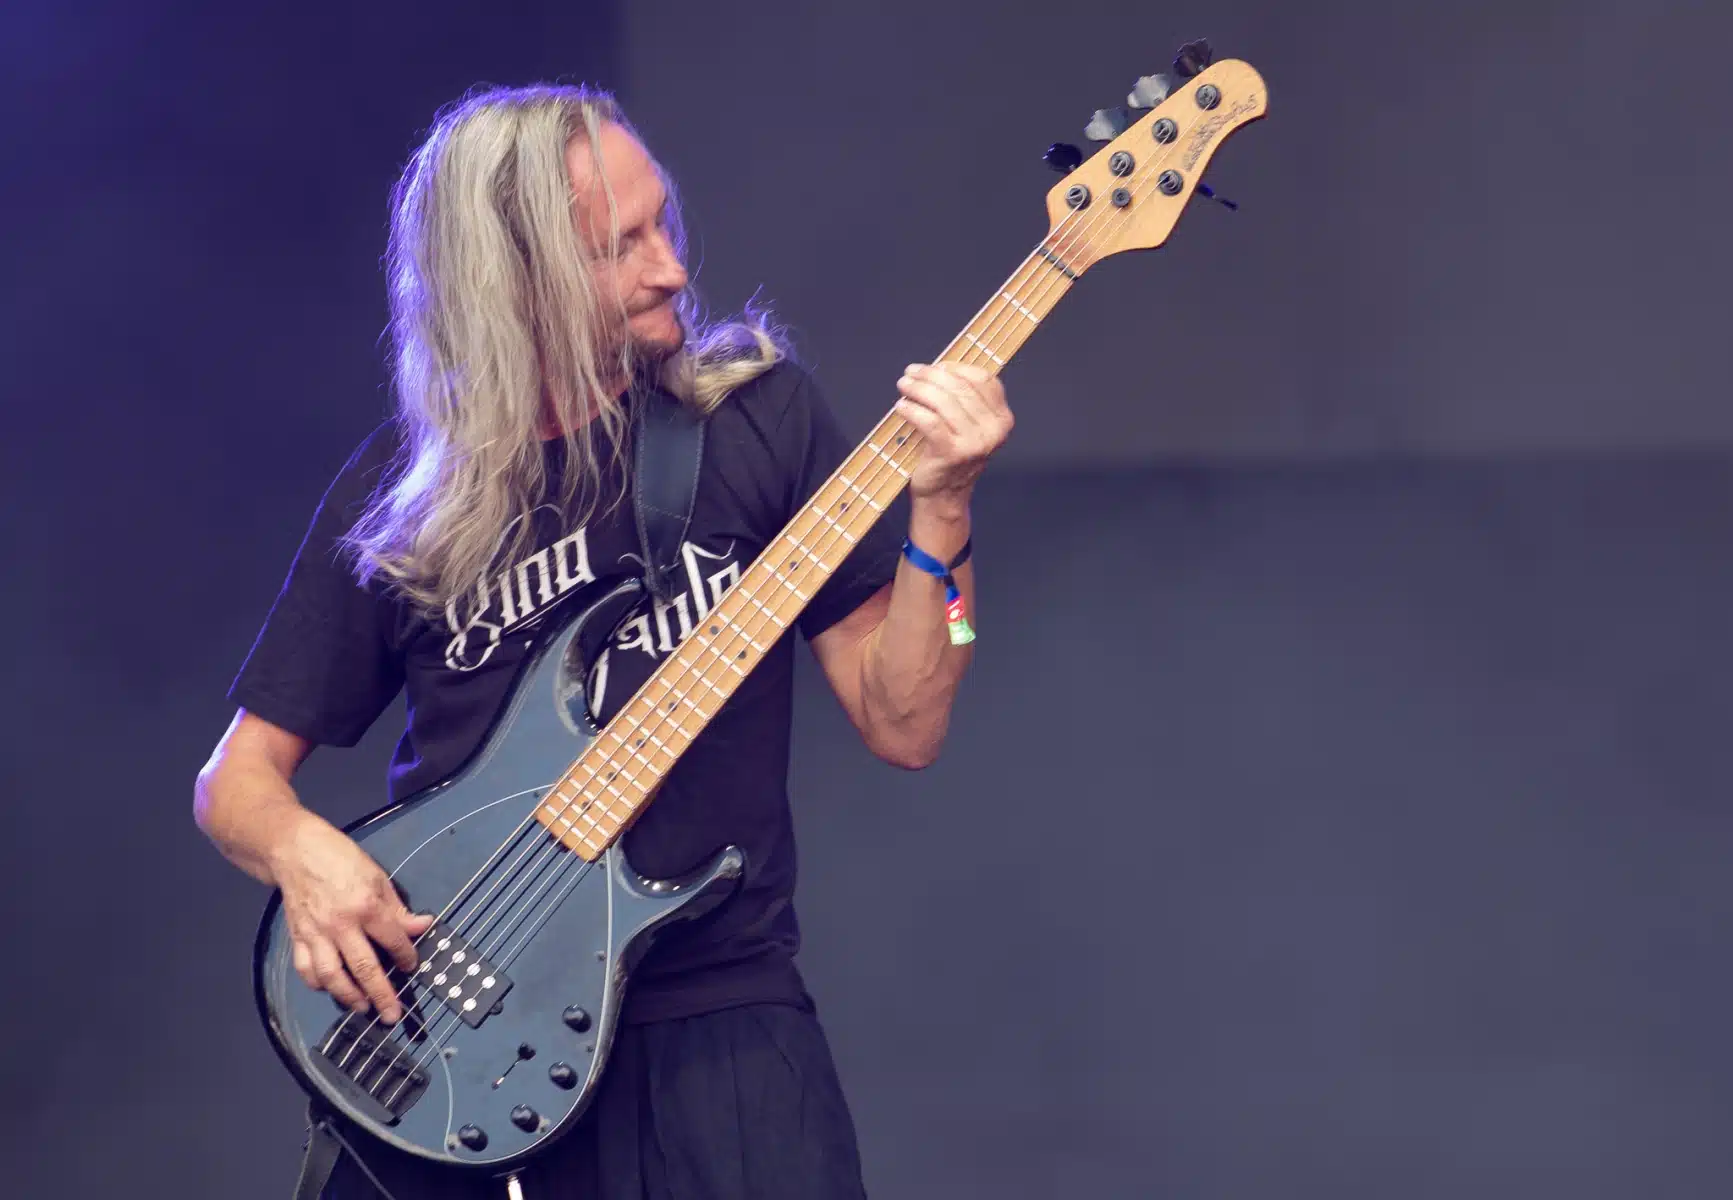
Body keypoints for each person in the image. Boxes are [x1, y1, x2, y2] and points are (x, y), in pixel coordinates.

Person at [192, 83, 1012, 1199]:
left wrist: (944, 513)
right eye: (618, 246)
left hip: (719, 1031)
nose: (670, 267)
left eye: (661, 222)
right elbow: (234, 785)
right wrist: (305, 857)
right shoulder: (406, 494)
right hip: (451, 1044)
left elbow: (905, 720)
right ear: (511, 279)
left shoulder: (755, 420)